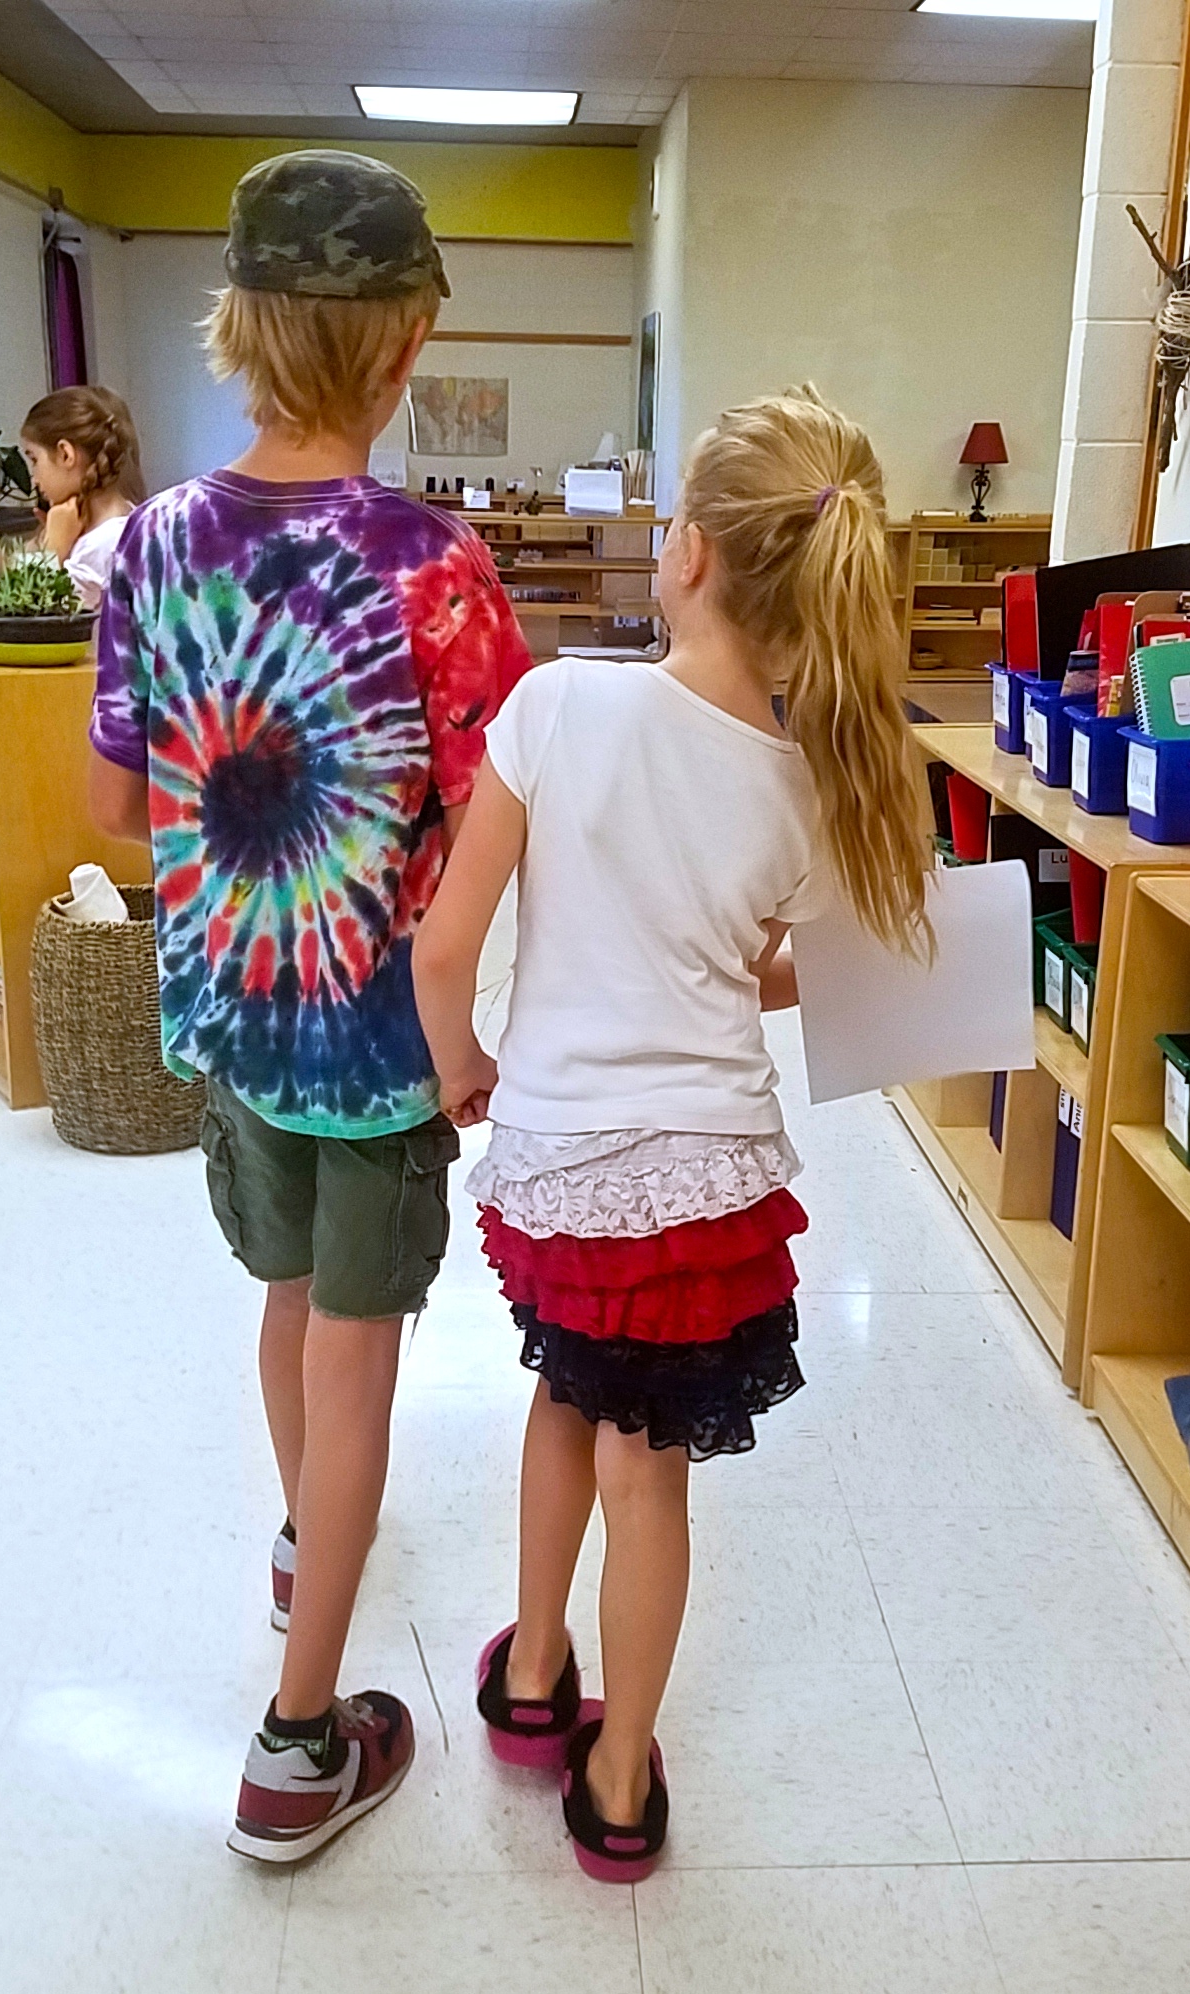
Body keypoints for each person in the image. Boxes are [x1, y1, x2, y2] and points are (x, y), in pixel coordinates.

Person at [412, 387, 933, 1883]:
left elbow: (444, 949)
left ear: (686, 549)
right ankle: (621, 1776)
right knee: (651, 1469)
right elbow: (777, 972)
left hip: (558, 1170)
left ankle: (531, 1678)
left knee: (557, 1398)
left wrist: (463, 1069)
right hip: (705, 1190)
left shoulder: (556, 707)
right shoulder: (806, 783)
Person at [86, 151, 531, 1864]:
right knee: (361, 1358)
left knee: (285, 1302)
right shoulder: (437, 567)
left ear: (238, 326)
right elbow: (502, 821)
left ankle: (303, 1535)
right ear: (407, 342)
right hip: (376, 1048)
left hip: (230, 1020)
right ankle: (295, 1741)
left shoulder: (151, 542)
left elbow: (119, 806)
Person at [0, 386, 145, 608]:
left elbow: (29, 616)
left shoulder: (105, 544)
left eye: (34, 459)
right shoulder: (79, 525)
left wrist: (54, 550)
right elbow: (8, 576)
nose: (34, 479)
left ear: (65, 454)